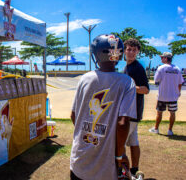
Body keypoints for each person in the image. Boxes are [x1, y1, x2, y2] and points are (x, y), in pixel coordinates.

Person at [70, 34, 137, 180]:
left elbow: (74, 115)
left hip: (79, 161)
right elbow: (123, 123)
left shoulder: (85, 79)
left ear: (96, 55)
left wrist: (90, 132)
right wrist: (119, 155)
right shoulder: (127, 83)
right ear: (118, 55)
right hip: (106, 168)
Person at [123, 38, 150, 176]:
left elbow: (145, 89)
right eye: (128, 49)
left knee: (119, 142)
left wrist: (131, 87)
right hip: (132, 111)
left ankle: (123, 172)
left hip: (131, 112)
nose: (131, 52)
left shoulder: (137, 68)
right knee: (133, 141)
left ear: (138, 52)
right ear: (124, 51)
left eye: (134, 50)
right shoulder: (127, 67)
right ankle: (134, 169)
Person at [149, 52, 184, 136]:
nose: (161, 59)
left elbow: (156, 80)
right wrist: (178, 92)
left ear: (165, 58)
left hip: (162, 96)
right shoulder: (177, 69)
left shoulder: (161, 68)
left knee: (159, 113)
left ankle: (156, 128)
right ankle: (170, 130)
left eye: (162, 58)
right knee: (172, 113)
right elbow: (180, 83)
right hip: (173, 96)